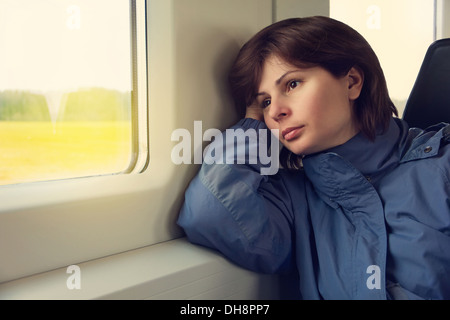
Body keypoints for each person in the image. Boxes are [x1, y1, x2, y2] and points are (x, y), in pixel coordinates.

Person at [177, 16, 450, 299]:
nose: (275, 112)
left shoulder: (442, 165)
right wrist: (253, 123)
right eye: (265, 102)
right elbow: (212, 211)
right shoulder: (292, 200)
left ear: (352, 82)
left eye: (292, 84)